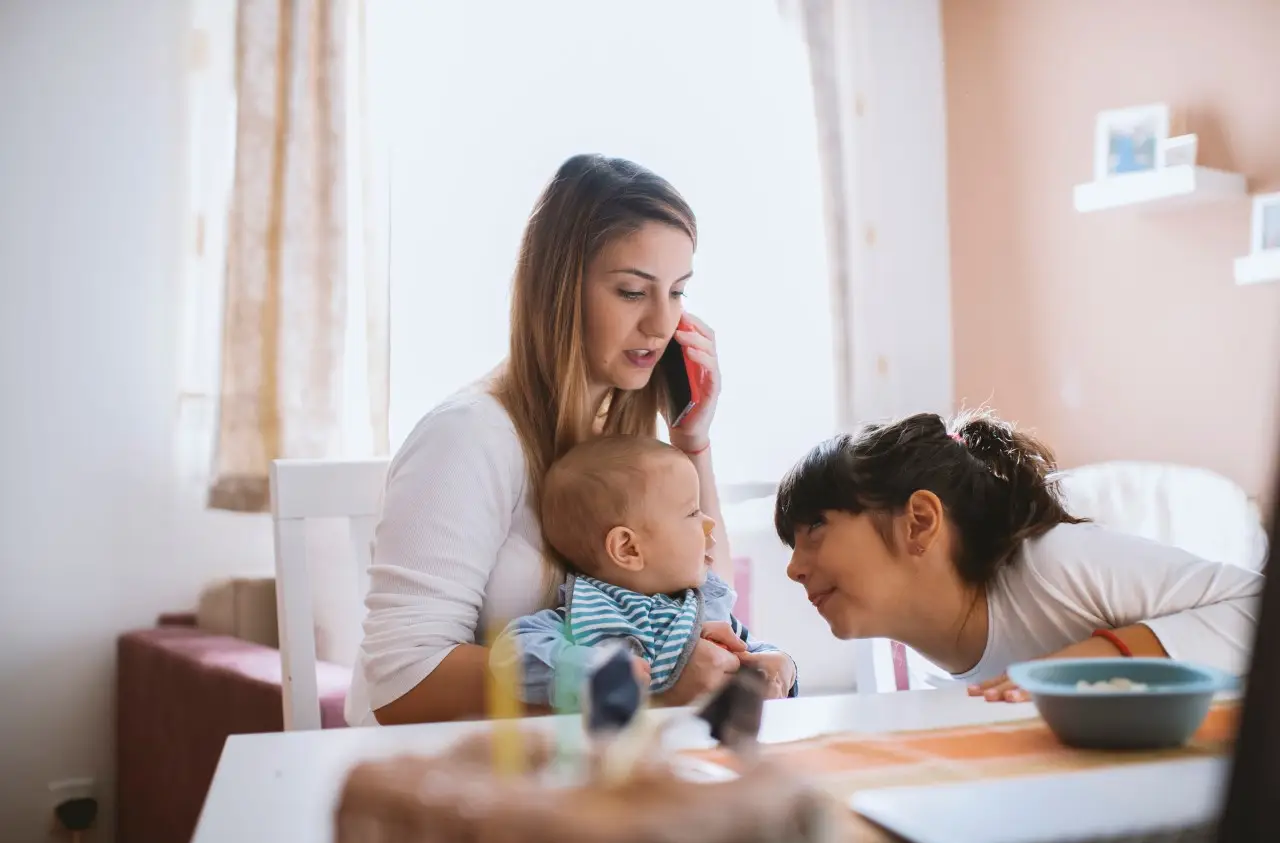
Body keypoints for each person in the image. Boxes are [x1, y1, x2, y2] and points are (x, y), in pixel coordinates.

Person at [347, 154, 744, 726]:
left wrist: (693, 442)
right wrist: (644, 688)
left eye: (677, 292)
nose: (662, 324)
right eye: (633, 292)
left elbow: (703, 601)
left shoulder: (618, 448)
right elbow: (402, 680)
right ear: (560, 290)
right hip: (452, 776)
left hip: (573, 771)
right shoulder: (467, 437)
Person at [774, 410, 1264, 702]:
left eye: (815, 527)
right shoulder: (896, 662)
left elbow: (1256, 608)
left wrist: (1084, 666)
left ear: (920, 521)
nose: (794, 568)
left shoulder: (1052, 565)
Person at [498, 435, 797, 711]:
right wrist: (594, 671)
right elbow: (511, 653)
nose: (708, 523)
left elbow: (754, 648)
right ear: (628, 549)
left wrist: (780, 666)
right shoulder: (586, 616)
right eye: (692, 512)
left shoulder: (704, 608)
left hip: (705, 758)